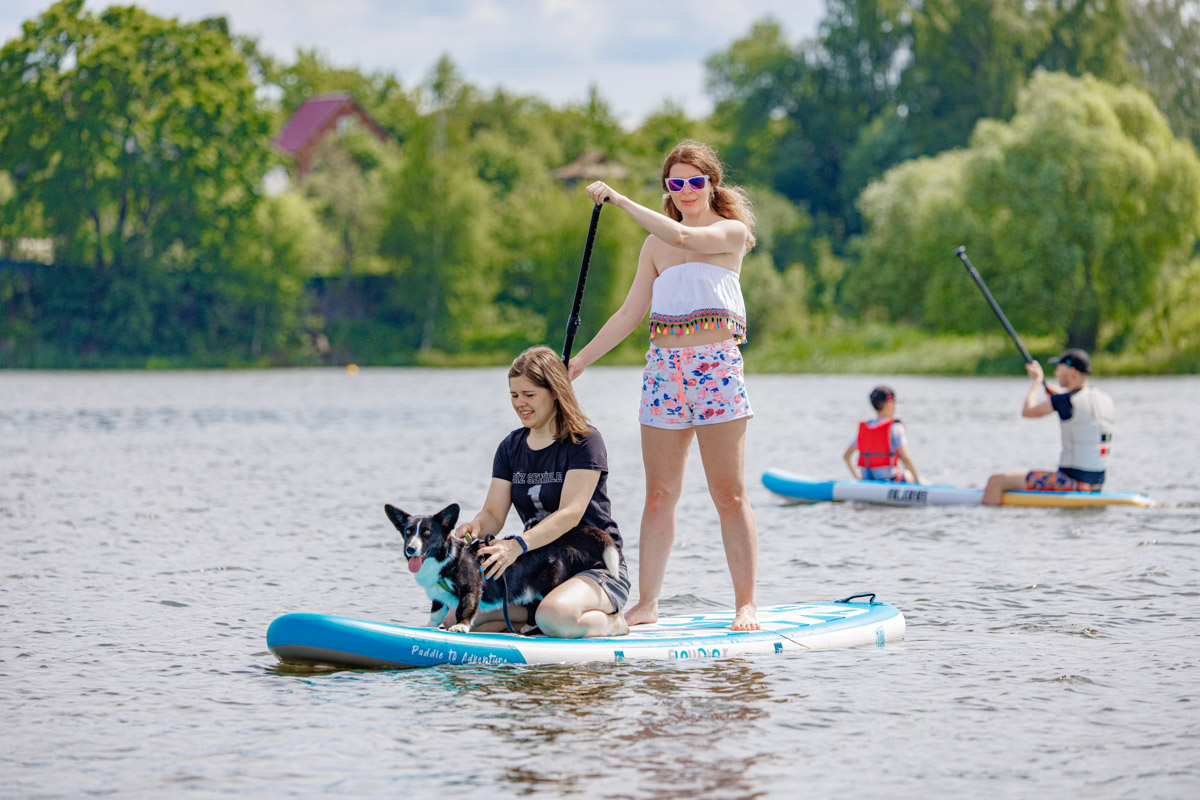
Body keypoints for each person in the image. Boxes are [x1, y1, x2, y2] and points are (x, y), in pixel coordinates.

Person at [568, 139, 760, 631]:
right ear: (668, 190)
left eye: (696, 181)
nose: (687, 190)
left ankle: (745, 604)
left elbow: (685, 239)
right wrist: (581, 361)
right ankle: (648, 603)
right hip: (663, 374)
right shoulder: (654, 246)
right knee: (658, 495)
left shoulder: (729, 232)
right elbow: (632, 313)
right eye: (676, 183)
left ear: (711, 184)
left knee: (728, 494)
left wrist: (619, 201)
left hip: (716, 370)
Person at [454, 345, 631, 637]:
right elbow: (493, 514)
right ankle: (531, 617)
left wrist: (516, 546)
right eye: (514, 395)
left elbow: (570, 514)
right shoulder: (510, 447)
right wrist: (476, 525)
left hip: (596, 565)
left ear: (555, 393)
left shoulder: (584, 441)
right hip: (541, 570)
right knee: (456, 612)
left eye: (529, 395)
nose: (520, 403)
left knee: (555, 617)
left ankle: (613, 622)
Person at [982, 348, 1115, 505]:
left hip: (1070, 483)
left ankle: (986, 522)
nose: (1056, 372)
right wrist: (1057, 396)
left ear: (1072, 372)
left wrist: (1036, 383)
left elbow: (1028, 411)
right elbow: (1081, 410)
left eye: (1059, 368)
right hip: (1096, 485)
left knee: (995, 482)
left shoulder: (1063, 401)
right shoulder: (1105, 399)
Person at [842, 385, 924, 484]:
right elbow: (905, 457)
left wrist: (858, 478)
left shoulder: (867, 426)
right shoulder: (895, 426)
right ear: (889, 403)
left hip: (866, 478)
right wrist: (918, 480)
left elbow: (846, 456)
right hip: (888, 479)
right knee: (909, 474)